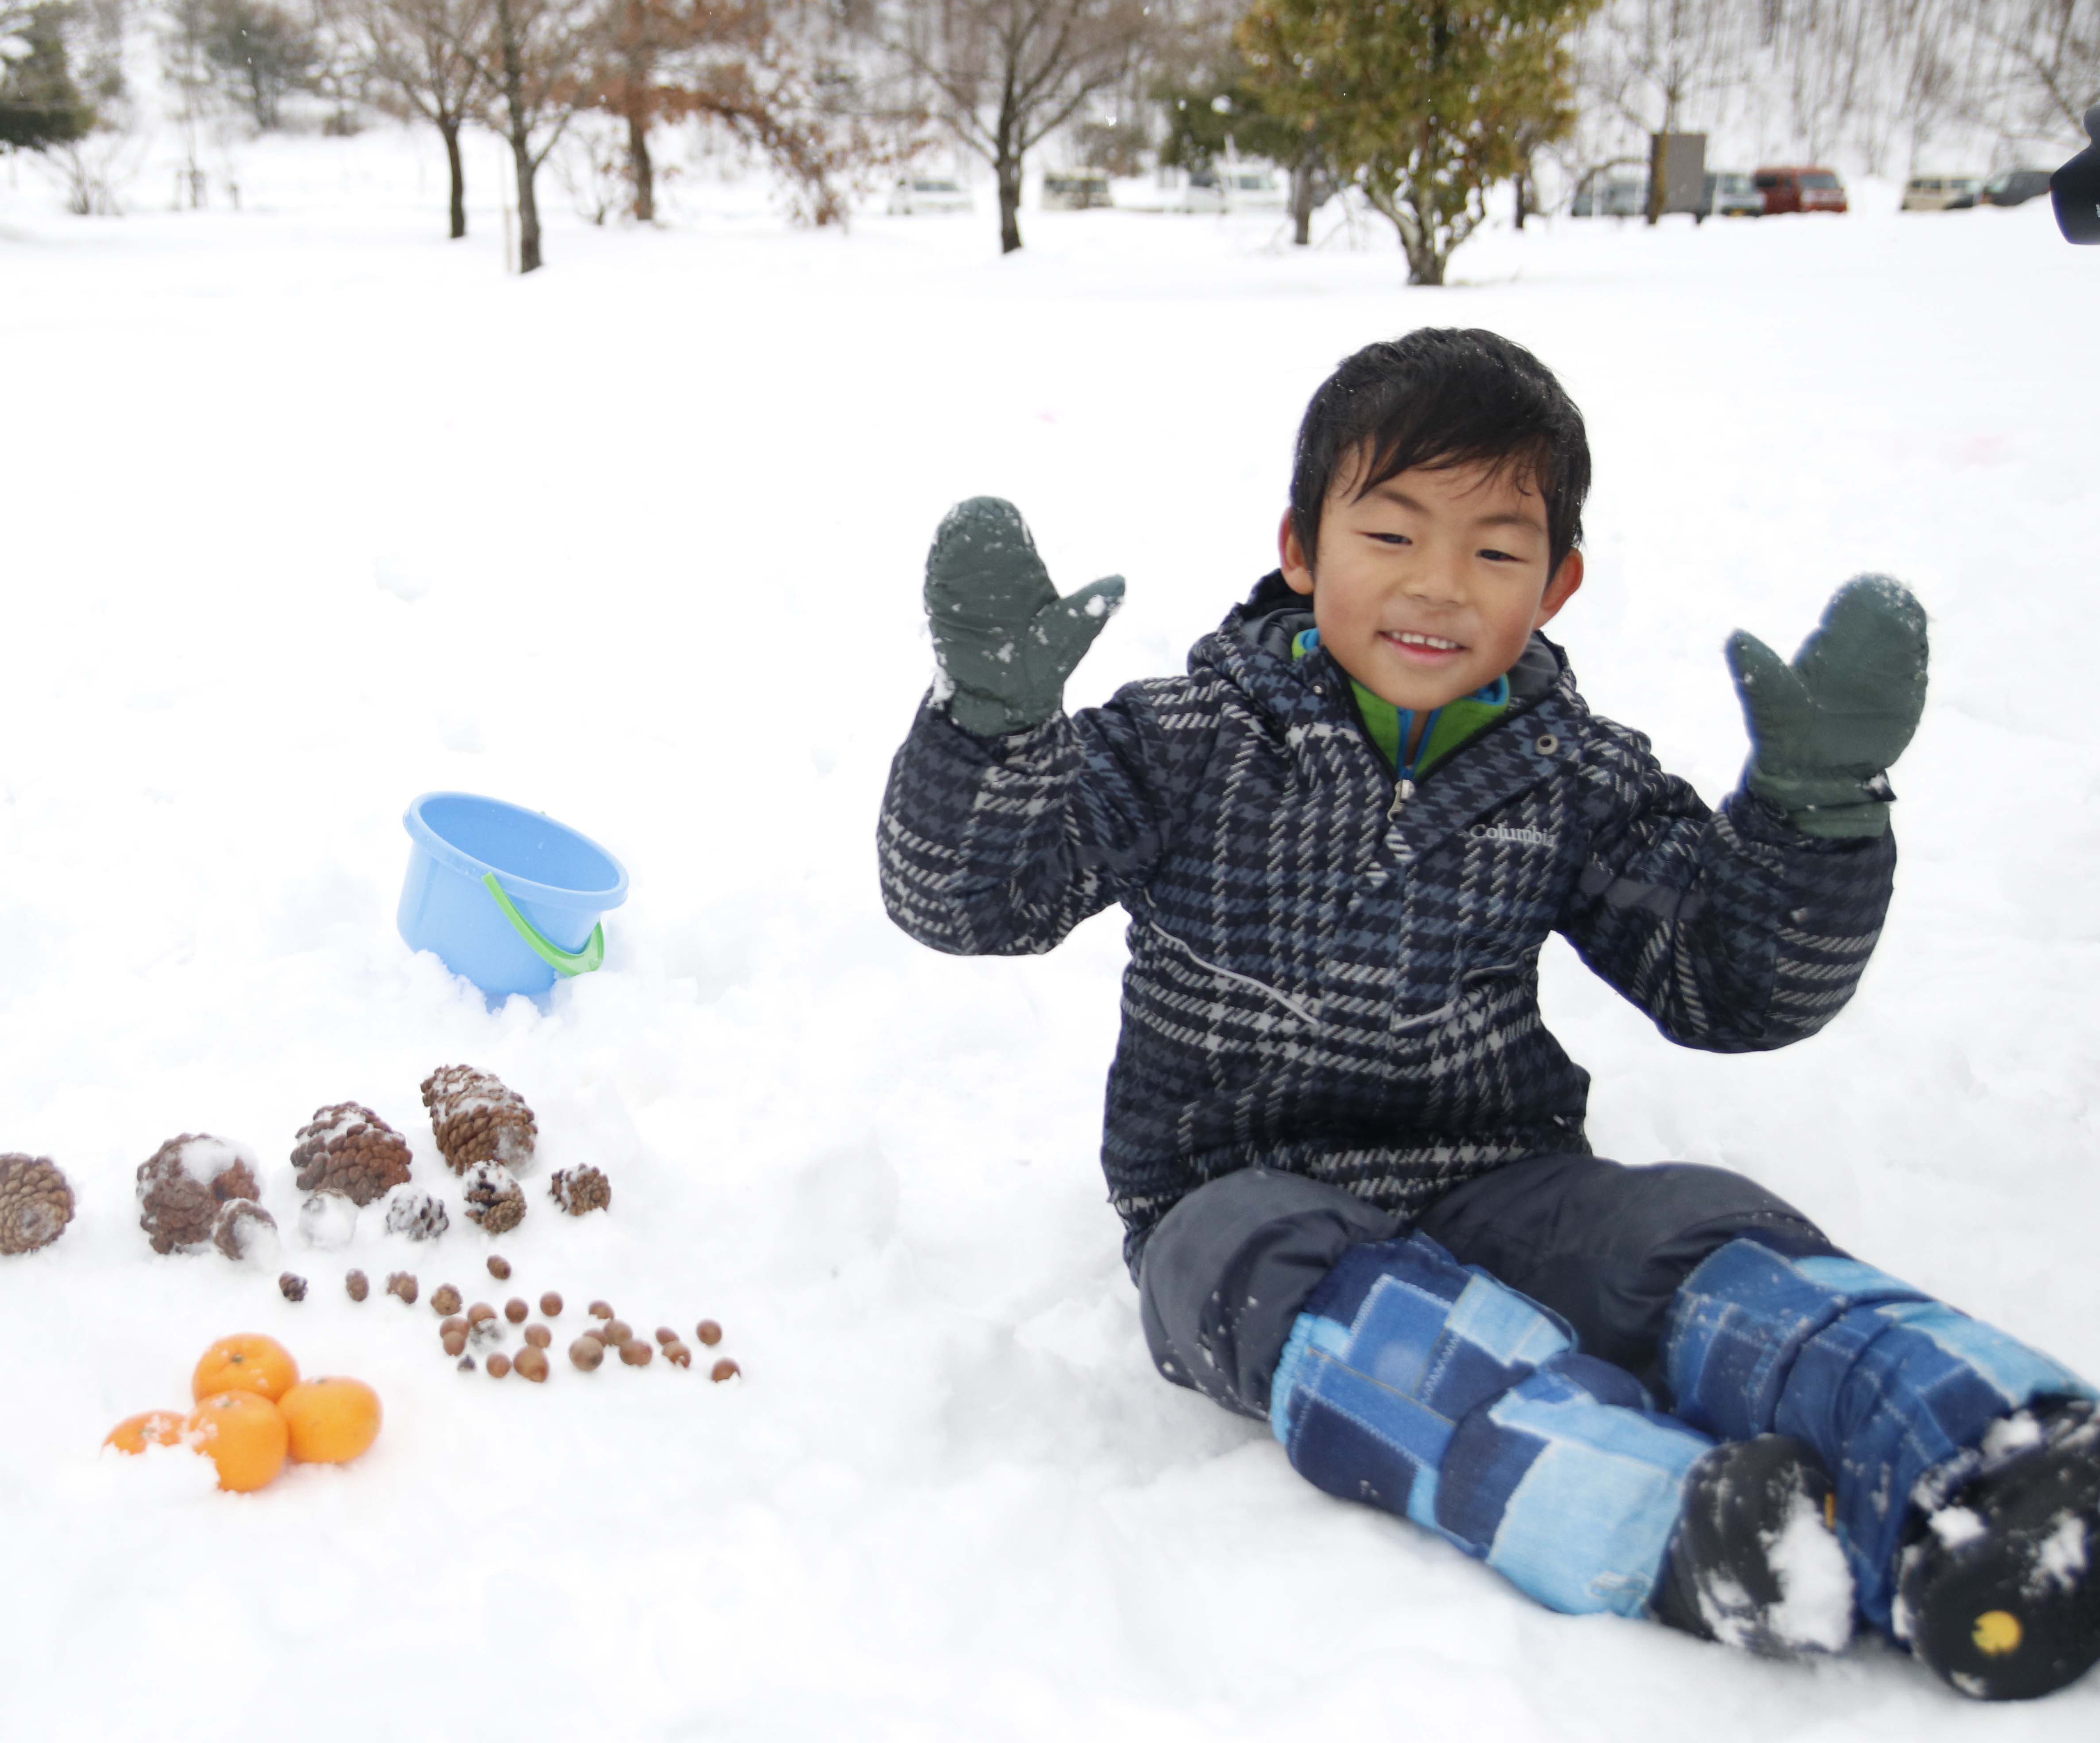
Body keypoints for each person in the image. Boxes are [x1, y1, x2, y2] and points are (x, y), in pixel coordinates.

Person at [876, 328, 2098, 1700]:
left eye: (1497, 553)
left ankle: (1985, 1447)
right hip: (1230, 1203)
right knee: (1312, 1302)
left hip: (1495, 1177)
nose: (1437, 588)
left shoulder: (1567, 772)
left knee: (1678, 1225)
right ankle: (1678, 1520)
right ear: (1302, 546)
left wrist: (1811, 820)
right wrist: (991, 731)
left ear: (1558, 584)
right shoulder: (1183, 741)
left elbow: (1728, 982)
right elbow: (974, 902)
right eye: (1390, 533)